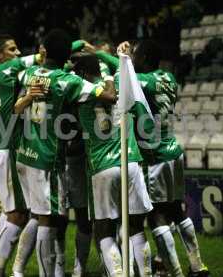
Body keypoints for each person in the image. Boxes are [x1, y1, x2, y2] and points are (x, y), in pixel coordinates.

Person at [15, 29, 116, 277]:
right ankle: (48, 272)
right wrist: (109, 75)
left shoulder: (28, 74)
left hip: (25, 154)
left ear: (45, 51)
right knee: (49, 219)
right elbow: (109, 96)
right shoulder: (69, 81)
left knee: (40, 216)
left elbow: (17, 108)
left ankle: (24, 269)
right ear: (67, 57)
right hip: (49, 158)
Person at [116, 40, 209, 277]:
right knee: (177, 211)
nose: (132, 59)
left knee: (157, 214)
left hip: (155, 156)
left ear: (144, 58)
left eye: (135, 55)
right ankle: (198, 266)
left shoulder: (144, 82)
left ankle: (175, 272)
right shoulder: (169, 78)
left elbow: (127, 79)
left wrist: (118, 58)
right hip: (174, 151)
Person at [71, 52, 153, 277]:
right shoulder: (117, 82)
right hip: (131, 161)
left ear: (82, 73)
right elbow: (123, 65)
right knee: (136, 227)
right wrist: (111, 55)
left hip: (102, 166)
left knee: (103, 228)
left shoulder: (81, 92)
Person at [0, 34, 47, 277]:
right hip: (8, 148)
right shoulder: (8, 68)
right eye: (12, 49)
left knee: (12, 211)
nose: (18, 53)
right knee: (17, 215)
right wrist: (76, 44)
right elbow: (45, 55)